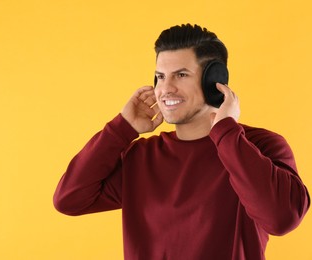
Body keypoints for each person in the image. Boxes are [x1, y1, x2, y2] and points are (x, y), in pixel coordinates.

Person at [53, 23, 310, 260]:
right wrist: (121, 129)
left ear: (214, 81)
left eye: (181, 75)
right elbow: (69, 200)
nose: (166, 89)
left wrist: (226, 133)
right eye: (161, 76)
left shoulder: (260, 146)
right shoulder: (141, 157)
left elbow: (282, 219)